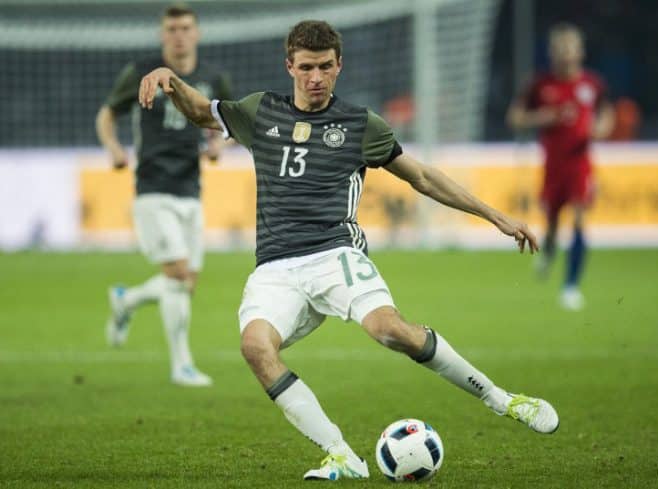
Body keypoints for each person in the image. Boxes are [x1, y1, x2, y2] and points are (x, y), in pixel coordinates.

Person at [138, 20, 559, 480]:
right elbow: (202, 113)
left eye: (323, 67)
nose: (314, 78)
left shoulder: (360, 125)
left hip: (335, 255)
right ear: (289, 67)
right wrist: (171, 80)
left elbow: (422, 176)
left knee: (389, 330)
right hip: (275, 267)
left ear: (339, 66)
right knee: (255, 348)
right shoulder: (261, 111)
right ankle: (340, 453)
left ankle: (503, 400)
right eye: (305, 68)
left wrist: (496, 216)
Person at [95, 3, 232, 386]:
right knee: (176, 275)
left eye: (186, 28)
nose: (179, 35)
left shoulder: (212, 78)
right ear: (162, 34)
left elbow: (229, 124)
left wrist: (222, 144)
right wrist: (114, 148)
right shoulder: (141, 71)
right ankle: (182, 365)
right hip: (153, 188)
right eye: (172, 29)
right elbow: (107, 114)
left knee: (186, 282)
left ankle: (127, 300)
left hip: (191, 189)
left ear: (197, 33)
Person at [507, 23, 614, 311]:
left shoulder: (592, 84)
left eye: (571, 47)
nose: (566, 53)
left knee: (579, 219)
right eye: (560, 48)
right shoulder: (541, 85)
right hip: (553, 167)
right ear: (552, 52)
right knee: (552, 227)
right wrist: (541, 117)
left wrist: (600, 129)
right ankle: (549, 253)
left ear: (580, 51)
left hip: (580, 165)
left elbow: (606, 116)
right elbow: (515, 117)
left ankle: (571, 287)